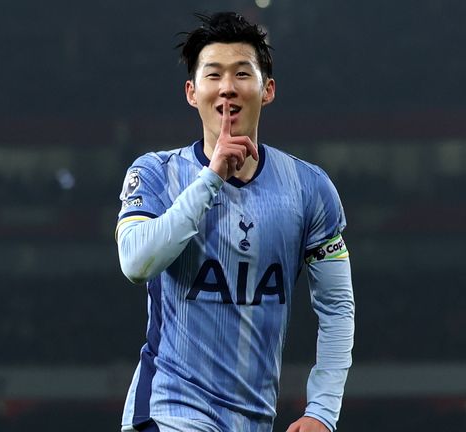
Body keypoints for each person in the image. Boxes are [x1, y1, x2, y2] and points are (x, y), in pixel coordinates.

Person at [115, 12, 354, 432]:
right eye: (213, 75)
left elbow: (337, 307)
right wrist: (212, 178)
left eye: (242, 73)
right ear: (192, 92)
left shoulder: (310, 188)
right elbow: (136, 263)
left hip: (254, 419)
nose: (227, 87)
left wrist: (323, 411)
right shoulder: (154, 172)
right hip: (168, 411)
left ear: (268, 90)